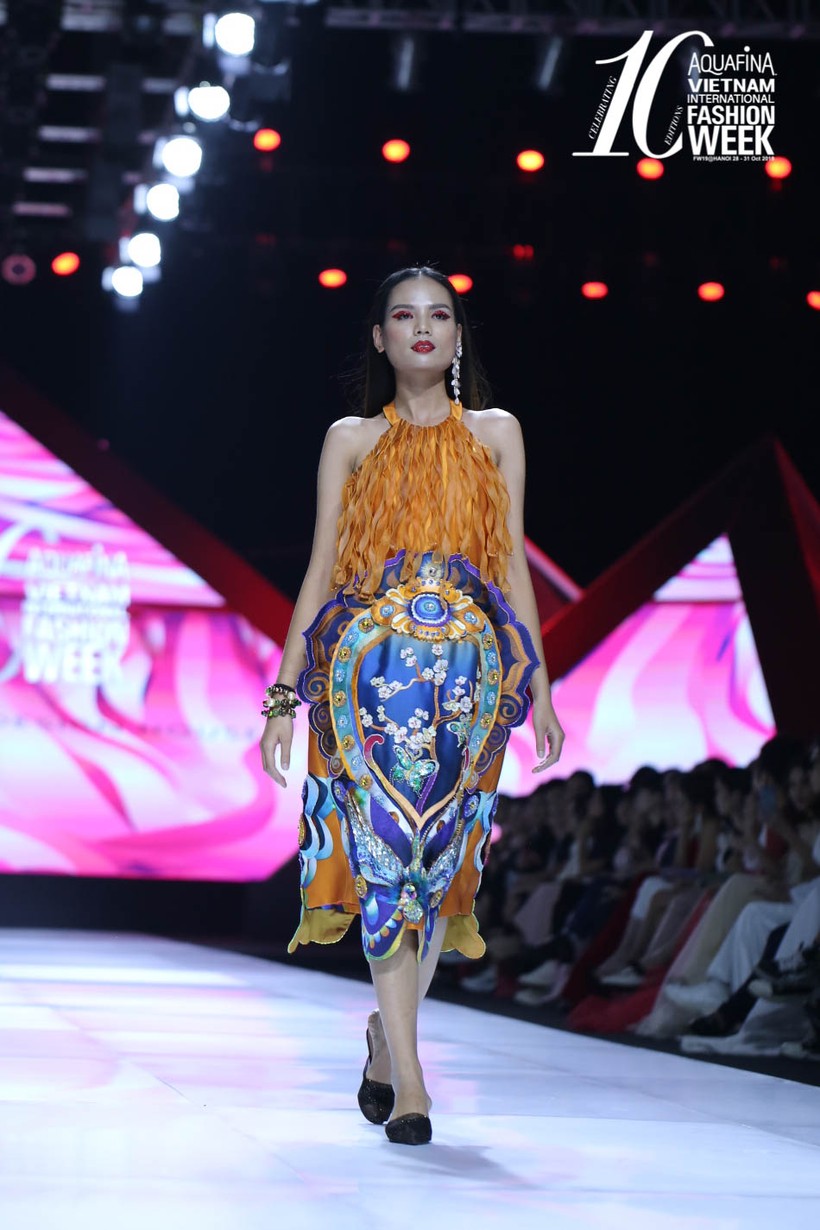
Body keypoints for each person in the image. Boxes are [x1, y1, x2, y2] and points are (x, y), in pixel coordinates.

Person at [259, 265, 564, 1145]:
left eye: (439, 315)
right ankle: (414, 1083)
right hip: (364, 685)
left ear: (459, 337)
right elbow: (322, 568)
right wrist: (284, 695)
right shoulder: (350, 439)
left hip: (471, 688)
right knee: (386, 869)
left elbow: (511, 563)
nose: (422, 327)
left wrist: (540, 684)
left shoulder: (497, 433)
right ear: (380, 337)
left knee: (437, 876)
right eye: (404, 315)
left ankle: (385, 1039)